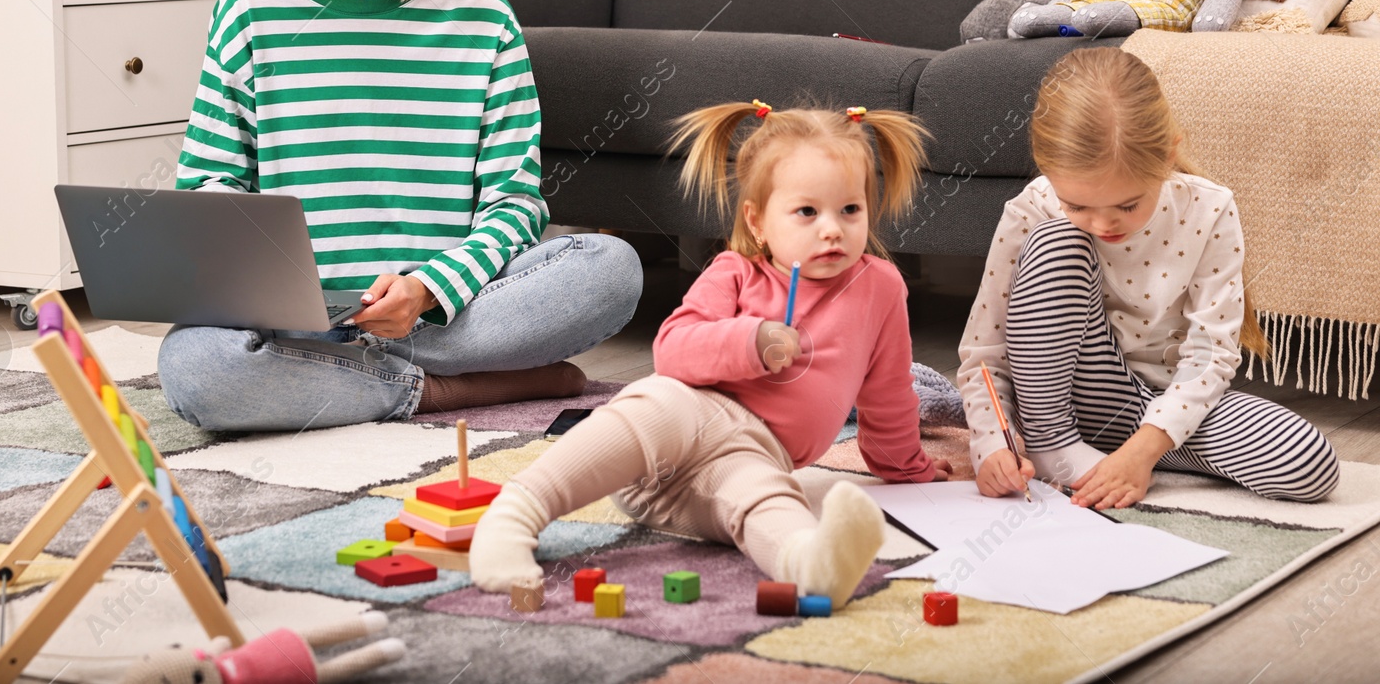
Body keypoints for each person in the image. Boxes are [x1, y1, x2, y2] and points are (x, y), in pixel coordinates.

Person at [157, 0, 642, 432]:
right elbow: (211, 183)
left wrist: (427, 289)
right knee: (196, 366)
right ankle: (441, 392)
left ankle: (352, 373)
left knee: (610, 269)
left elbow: (514, 204)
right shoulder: (252, 5)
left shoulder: (483, 18)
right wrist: (260, 283)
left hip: (443, 309)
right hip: (298, 315)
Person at [470, 99, 951, 608]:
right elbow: (672, 351)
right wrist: (753, 341)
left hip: (755, 458)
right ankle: (516, 513)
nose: (832, 228)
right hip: (669, 441)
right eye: (807, 212)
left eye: (850, 210)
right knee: (658, 401)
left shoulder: (880, 287)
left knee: (766, 497)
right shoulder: (735, 271)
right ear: (759, 221)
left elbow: (889, 391)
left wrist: (907, 466)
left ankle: (812, 565)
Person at [959, 48, 1339, 506]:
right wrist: (990, 444)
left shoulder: (1209, 208)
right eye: (1078, 205)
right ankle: (1049, 443)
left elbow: (1210, 354)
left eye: (1126, 205)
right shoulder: (1034, 208)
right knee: (1057, 240)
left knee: (1309, 461)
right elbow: (985, 348)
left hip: (1153, 405)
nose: (1103, 225)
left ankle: (1117, 452)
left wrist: (1142, 451)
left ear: (1168, 154)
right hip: (1052, 398)